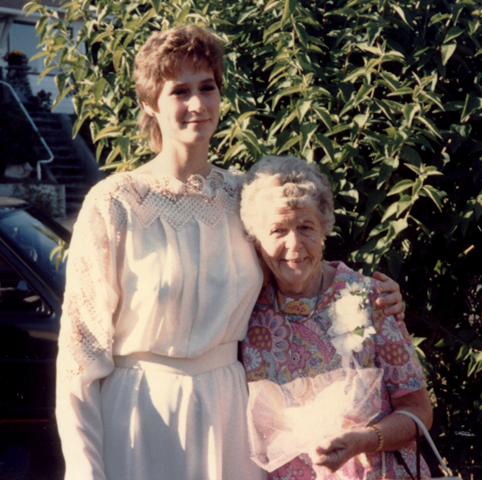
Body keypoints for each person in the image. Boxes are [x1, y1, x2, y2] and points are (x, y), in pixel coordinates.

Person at [56, 26, 404, 480]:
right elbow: (79, 356)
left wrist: (371, 298)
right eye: (179, 91)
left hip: (231, 414)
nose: (198, 104)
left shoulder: (244, 196)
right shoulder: (115, 204)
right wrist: (85, 469)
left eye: (207, 87)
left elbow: (300, 267)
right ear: (149, 104)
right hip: (140, 414)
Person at [240, 155, 433, 480]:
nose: (294, 245)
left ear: (324, 228)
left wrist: (364, 440)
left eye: (305, 227)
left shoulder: (369, 298)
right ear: (256, 239)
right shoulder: (245, 310)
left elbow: (418, 411)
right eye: (277, 230)